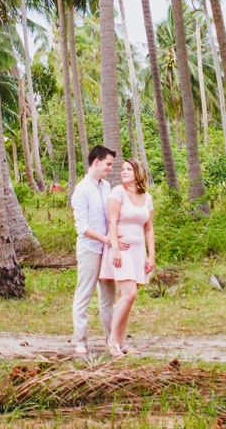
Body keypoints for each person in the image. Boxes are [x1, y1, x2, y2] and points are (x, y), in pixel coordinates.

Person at [100, 157, 155, 357]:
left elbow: (149, 228)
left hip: (138, 251)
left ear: (137, 173)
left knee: (130, 298)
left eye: (128, 169)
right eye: (122, 169)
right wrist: (114, 248)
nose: (123, 172)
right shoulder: (118, 192)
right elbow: (112, 221)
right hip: (121, 248)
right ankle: (112, 340)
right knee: (128, 293)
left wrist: (151, 255)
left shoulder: (146, 197)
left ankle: (122, 342)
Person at [71, 144, 119, 356]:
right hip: (90, 248)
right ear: (96, 162)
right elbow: (82, 228)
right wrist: (105, 239)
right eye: (108, 164)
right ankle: (80, 340)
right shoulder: (81, 190)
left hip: (107, 249)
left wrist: (113, 241)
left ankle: (111, 339)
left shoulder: (107, 187)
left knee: (108, 296)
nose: (110, 168)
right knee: (84, 294)